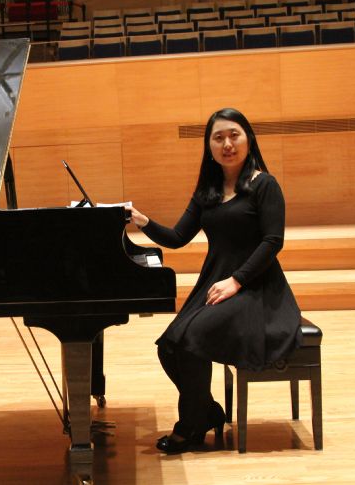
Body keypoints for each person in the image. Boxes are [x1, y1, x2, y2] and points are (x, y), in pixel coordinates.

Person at [128, 107, 302, 454]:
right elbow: (177, 237)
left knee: (191, 339)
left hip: (256, 289)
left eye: (234, 135)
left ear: (249, 139)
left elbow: (273, 242)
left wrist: (236, 281)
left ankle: (190, 426)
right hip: (217, 283)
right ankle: (207, 411)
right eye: (218, 138)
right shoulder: (207, 192)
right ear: (209, 147)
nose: (227, 144)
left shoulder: (264, 185)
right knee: (169, 347)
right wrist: (142, 221)